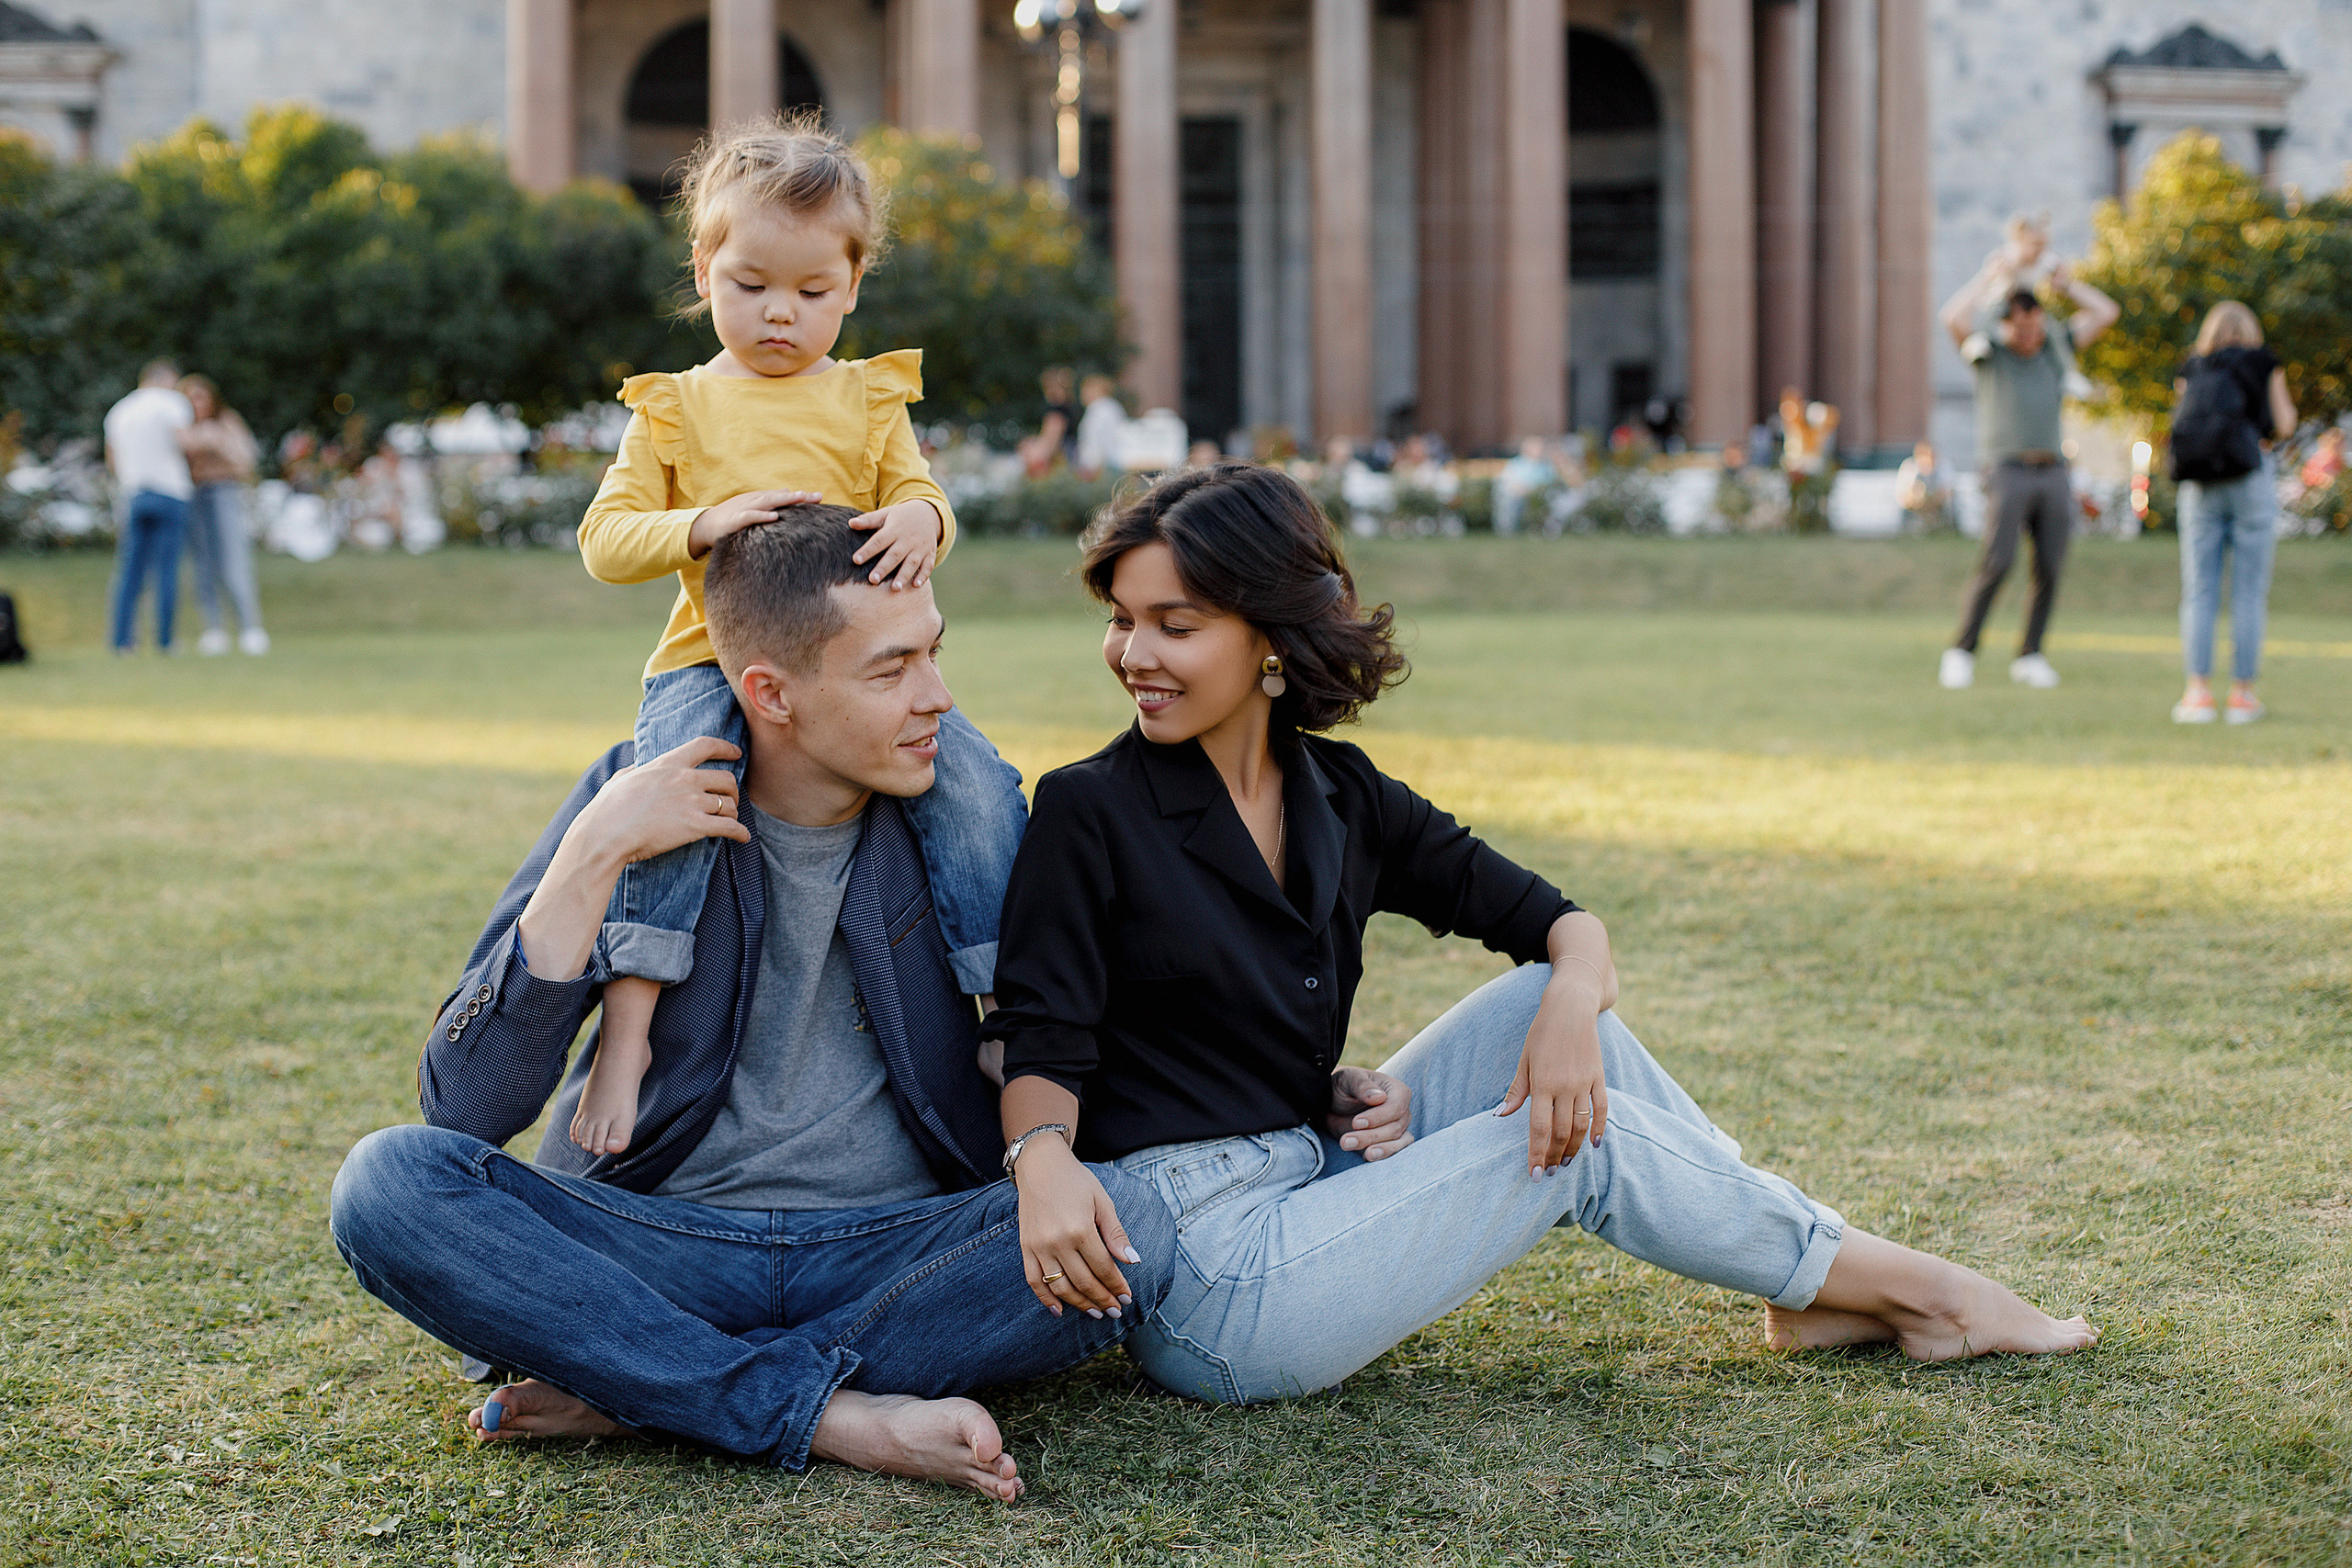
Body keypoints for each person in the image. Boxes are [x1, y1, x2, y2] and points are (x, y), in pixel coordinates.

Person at [983, 464, 2099, 1406]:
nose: (1134, 653)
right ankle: (1923, 1294)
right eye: (1122, 620)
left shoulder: (1341, 792)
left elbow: (1563, 923)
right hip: (1213, 1283)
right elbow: (1043, 1036)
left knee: (1543, 1012)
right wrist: (1041, 1162)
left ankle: (1809, 1290)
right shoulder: (1092, 808)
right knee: (1579, 1138)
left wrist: (1568, 1004)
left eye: (1175, 625)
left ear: (1270, 636)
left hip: (1307, 1171)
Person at [329, 506, 1178, 1497]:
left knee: (1148, 1219)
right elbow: (465, 1113)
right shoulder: (635, 794)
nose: (938, 697)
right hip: (656, 1245)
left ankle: (646, 1379)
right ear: (769, 692)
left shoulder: (963, 829)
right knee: (386, 1183)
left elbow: (1086, 1043)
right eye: (890, 669)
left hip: (902, 1255)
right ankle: (829, 1414)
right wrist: (594, 850)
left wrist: (1314, 1084)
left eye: (934, 655)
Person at [572, 118, 985, 1159]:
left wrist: (920, 519)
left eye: (810, 292)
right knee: (668, 808)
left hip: (849, 669)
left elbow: (923, 494)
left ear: (850, 289)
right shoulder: (674, 412)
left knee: (978, 789)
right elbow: (605, 541)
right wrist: (698, 524)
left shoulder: (865, 395)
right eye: (751, 285)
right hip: (704, 660)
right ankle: (629, 1035)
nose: (779, 314)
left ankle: (997, 1006)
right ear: (706, 269)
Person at [1936, 267, 2120, 690]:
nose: (2029, 334)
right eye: (2020, 326)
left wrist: (2068, 286)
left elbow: (2106, 312)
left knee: (2050, 564)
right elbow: (1952, 317)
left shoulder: (2056, 350)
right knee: (1998, 560)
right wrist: (1990, 275)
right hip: (2007, 467)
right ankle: (1962, 650)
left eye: (2035, 325)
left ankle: (2031, 654)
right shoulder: (1990, 355)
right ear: (2006, 324)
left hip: (2053, 468)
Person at [2167, 300, 2296, 726]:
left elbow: (2182, 425)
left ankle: (2198, 694)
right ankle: (2242, 696)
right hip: (2249, 480)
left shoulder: (2194, 367)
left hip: (2200, 486)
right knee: (2248, 592)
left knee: (2200, 590)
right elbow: (2285, 423)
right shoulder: (2263, 363)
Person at [101, 361, 195, 656]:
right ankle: (165, 642)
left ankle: (122, 641)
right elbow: (186, 444)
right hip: (170, 492)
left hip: (134, 494)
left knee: (129, 571)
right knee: (166, 570)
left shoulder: (119, 410)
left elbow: (112, 460)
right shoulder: (172, 403)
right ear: (167, 379)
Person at [178, 375, 268, 655]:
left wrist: (213, 442)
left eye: (201, 396)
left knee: (234, 560)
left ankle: (250, 628)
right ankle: (213, 629)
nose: (197, 403)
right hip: (193, 493)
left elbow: (246, 460)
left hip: (224, 491)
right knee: (203, 564)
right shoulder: (180, 427)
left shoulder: (228, 422)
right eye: (191, 398)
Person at [1073, 373, 1129, 479]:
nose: (1082, 394)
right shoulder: (1111, 407)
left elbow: (1095, 441)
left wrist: (1091, 465)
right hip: (1112, 463)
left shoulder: (1099, 409)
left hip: (1101, 467)